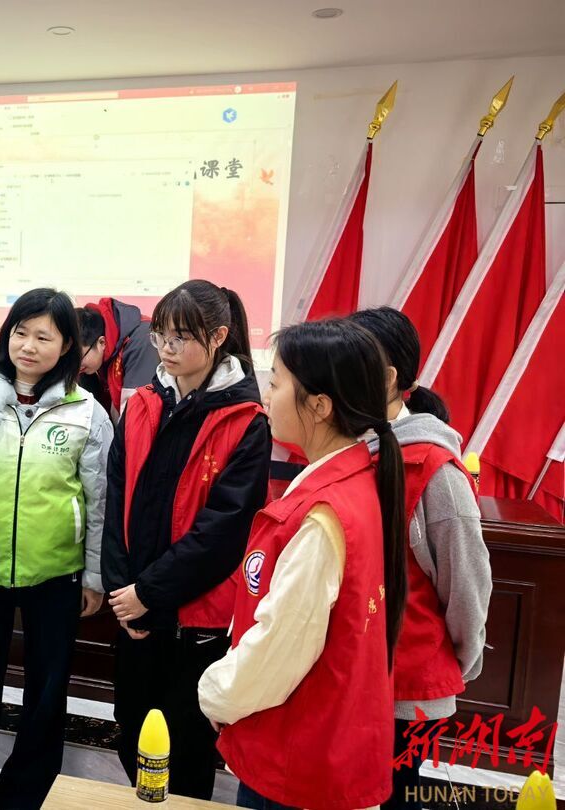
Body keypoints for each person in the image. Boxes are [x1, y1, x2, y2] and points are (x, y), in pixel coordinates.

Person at [198, 318, 407, 810]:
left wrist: (219, 694)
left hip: (298, 756)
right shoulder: (351, 480)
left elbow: (282, 646)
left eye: (275, 383)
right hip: (320, 743)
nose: (265, 397)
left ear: (319, 405)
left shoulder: (324, 512)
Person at [0, 288, 113, 810]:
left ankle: (26, 796)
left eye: (43, 336)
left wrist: (94, 575)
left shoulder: (87, 412)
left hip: (56, 574)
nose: (28, 346)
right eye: (20, 332)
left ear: (67, 345)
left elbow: (99, 501)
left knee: (46, 694)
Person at [101, 279, 271, 800]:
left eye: (181, 338)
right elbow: (115, 499)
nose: (167, 349)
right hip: (134, 608)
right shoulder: (144, 403)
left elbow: (223, 531)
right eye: (160, 337)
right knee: (133, 731)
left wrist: (148, 594)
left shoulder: (245, 419)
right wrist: (123, 593)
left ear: (218, 336)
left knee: (187, 747)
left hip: (194, 618)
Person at [348, 307, 491, 810]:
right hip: (348, 671)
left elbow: (467, 585)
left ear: (388, 378)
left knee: (396, 796)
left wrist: (454, 661)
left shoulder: (436, 470)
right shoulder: (345, 449)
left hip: (406, 684)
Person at [77, 297, 159, 415]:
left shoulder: (141, 341)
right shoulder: (104, 341)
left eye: (79, 358)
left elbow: (137, 414)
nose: (76, 366)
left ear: (102, 342)